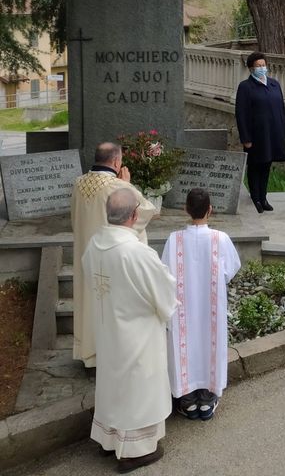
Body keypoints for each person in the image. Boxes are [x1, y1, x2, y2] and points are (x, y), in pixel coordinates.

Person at [82, 188, 177, 471]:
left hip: (108, 330)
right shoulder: (137, 252)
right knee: (138, 389)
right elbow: (164, 290)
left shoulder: (94, 244)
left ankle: (109, 440)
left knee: (113, 385)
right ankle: (136, 451)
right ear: (134, 215)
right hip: (137, 335)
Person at [71, 142, 157, 368]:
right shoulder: (117, 187)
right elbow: (146, 211)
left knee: (89, 302)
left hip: (86, 254)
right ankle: (110, 354)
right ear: (117, 162)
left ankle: (89, 352)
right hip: (112, 256)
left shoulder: (78, 183)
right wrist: (127, 185)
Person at [162, 188, 241, 422]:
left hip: (183, 309)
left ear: (185, 209)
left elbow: (165, 273)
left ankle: (187, 399)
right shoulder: (220, 239)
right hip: (210, 308)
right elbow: (231, 269)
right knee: (209, 344)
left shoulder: (174, 239)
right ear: (210, 210)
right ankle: (207, 398)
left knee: (184, 345)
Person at [235, 52, 285, 213]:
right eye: (258, 66)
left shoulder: (274, 84)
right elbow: (241, 113)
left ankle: (263, 197)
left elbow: (281, 109)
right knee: (255, 166)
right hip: (255, 135)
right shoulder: (245, 87)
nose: (261, 68)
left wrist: (283, 131)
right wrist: (245, 138)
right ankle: (255, 198)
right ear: (251, 68)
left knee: (266, 165)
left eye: (263, 65)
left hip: (272, 133)